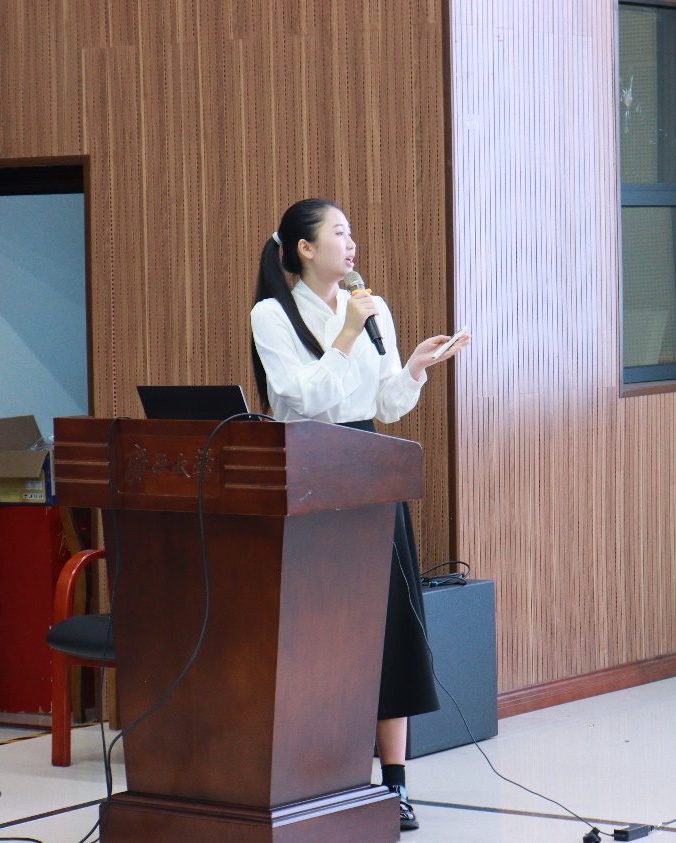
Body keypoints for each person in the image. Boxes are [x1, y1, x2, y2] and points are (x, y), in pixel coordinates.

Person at [249, 198, 470, 832]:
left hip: (370, 473)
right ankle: (318, 780)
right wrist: (346, 332)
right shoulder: (274, 314)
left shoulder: (372, 308)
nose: (351, 244)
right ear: (304, 249)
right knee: (318, 634)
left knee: (389, 629)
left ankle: (395, 785)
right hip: (311, 476)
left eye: (352, 234)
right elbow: (300, 400)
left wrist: (415, 369)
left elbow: (384, 404)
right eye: (338, 233)